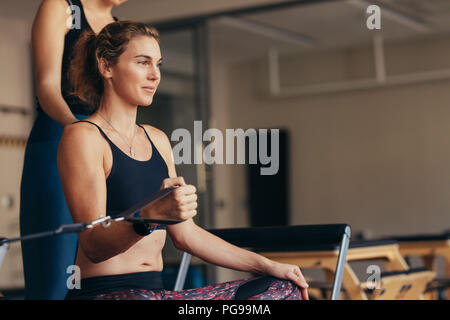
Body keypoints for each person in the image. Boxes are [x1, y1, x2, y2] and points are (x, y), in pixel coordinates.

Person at [59, 20, 310, 300]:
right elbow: (94, 245)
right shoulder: (83, 136)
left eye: (158, 64)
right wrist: (150, 216)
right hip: (105, 293)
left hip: (158, 293)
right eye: (143, 63)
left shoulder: (158, 139)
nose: (155, 75)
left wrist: (268, 265)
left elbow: (186, 235)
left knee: (280, 289)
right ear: (106, 67)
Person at [20, 0, 126, 300]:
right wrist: (78, 133)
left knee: (102, 272)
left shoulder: (118, 27)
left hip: (107, 141)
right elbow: (46, 85)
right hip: (61, 132)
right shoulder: (60, 5)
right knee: (56, 272)